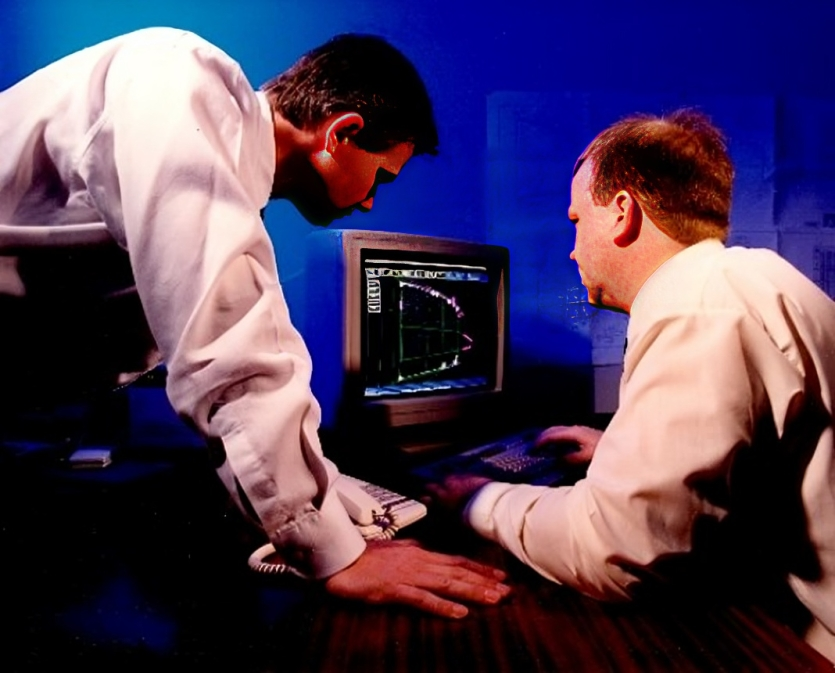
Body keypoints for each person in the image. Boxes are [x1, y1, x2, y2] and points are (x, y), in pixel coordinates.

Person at [0, 27, 510, 618]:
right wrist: (336, 554)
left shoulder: (224, 174)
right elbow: (226, 343)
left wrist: (321, 483)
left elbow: (253, 335)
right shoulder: (180, 79)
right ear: (341, 134)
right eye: (381, 176)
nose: (372, 202)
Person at [428, 109, 835, 661]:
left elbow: (620, 550)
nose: (573, 249)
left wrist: (480, 500)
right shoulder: (749, 278)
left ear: (622, 212)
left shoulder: (695, 306)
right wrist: (619, 450)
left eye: (577, 221)